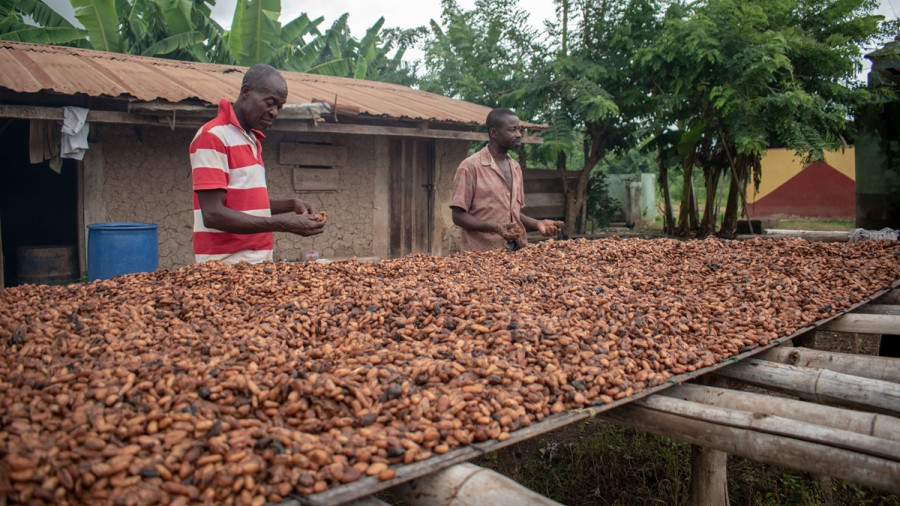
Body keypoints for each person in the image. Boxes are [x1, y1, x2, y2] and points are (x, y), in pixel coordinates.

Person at [190, 64, 324, 264]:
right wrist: (284, 224)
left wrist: (290, 204)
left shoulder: (251, 140)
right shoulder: (213, 136)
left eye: (279, 107)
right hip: (225, 265)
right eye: (270, 103)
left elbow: (245, 206)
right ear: (246, 92)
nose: (275, 113)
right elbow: (213, 214)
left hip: (258, 263)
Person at [450, 108, 564, 252]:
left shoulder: (515, 168)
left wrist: (537, 223)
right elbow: (458, 216)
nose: (518, 135)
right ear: (494, 133)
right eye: (513, 130)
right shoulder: (470, 167)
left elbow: (512, 213)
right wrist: (494, 228)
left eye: (519, 130)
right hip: (481, 256)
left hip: (516, 252)